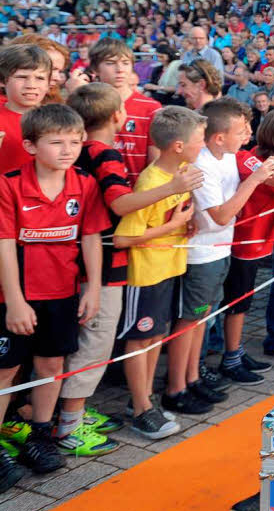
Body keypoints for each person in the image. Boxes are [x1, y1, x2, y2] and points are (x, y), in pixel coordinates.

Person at [58, 84, 202, 456]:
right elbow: (122, 215)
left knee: (133, 339)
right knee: (104, 343)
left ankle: (105, 408)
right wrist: (174, 202)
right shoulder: (105, 154)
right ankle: (86, 421)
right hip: (112, 264)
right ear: (117, 116)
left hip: (121, 262)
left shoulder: (97, 152)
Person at [0, 105, 107, 491]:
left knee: (51, 364)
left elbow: (91, 237)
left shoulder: (85, 184)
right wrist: (14, 300)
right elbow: (5, 245)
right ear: (30, 145)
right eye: (56, 141)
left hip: (62, 293)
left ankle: (40, 435)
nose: (68, 149)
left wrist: (92, 287)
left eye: (75, 141)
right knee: (7, 370)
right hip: (16, 296)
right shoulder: (9, 184)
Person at [162, 98, 274, 415]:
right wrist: (254, 180)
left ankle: (193, 377)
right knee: (190, 320)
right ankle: (175, 388)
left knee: (202, 318)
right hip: (201, 254)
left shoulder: (226, 156)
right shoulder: (202, 164)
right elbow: (222, 216)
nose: (249, 135)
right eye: (242, 130)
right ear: (218, 137)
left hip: (219, 250)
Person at [113, 106, 206, 439]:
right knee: (140, 340)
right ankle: (140, 408)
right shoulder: (152, 181)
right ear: (178, 145)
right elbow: (123, 238)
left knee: (154, 338)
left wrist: (185, 224)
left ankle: (144, 400)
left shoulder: (180, 172)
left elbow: (173, 219)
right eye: (199, 139)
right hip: (146, 274)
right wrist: (175, 224)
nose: (203, 144)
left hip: (168, 268)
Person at [219, 110, 274, 385]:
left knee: (242, 303)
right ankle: (230, 357)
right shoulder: (253, 161)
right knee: (236, 304)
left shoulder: (267, 162)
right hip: (242, 245)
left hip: (256, 245)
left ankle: (236, 351)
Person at [86, 39, 162, 184]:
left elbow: (156, 162)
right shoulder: (85, 105)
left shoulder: (151, 107)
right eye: (110, 63)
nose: (120, 69)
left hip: (135, 193)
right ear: (95, 69)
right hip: (93, 192)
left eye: (125, 63)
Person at [0, 44, 51, 175]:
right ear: (2, 80)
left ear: (48, 83)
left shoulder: (60, 119)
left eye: (40, 78)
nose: (31, 85)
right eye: (22, 77)